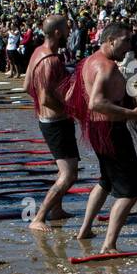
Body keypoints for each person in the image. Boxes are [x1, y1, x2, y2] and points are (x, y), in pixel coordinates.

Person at [64, 21, 137, 253]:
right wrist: (133, 114)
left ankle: (85, 230)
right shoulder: (106, 67)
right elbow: (96, 103)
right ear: (111, 40)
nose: (129, 46)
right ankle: (109, 244)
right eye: (125, 41)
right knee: (130, 192)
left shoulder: (87, 62)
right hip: (111, 131)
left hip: (97, 129)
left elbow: (73, 96)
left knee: (105, 181)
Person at [25, 15, 78, 231]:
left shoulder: (37, 52)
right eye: (66, 29)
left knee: (62, 169)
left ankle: (57, 209)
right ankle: (39, 217)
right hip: (56, 121)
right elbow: (46, 97)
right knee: (69, 174)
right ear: (57, 32)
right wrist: (71, 111)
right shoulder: (51, 60)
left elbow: (27, 85)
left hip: (48, 119)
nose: (69, 33)